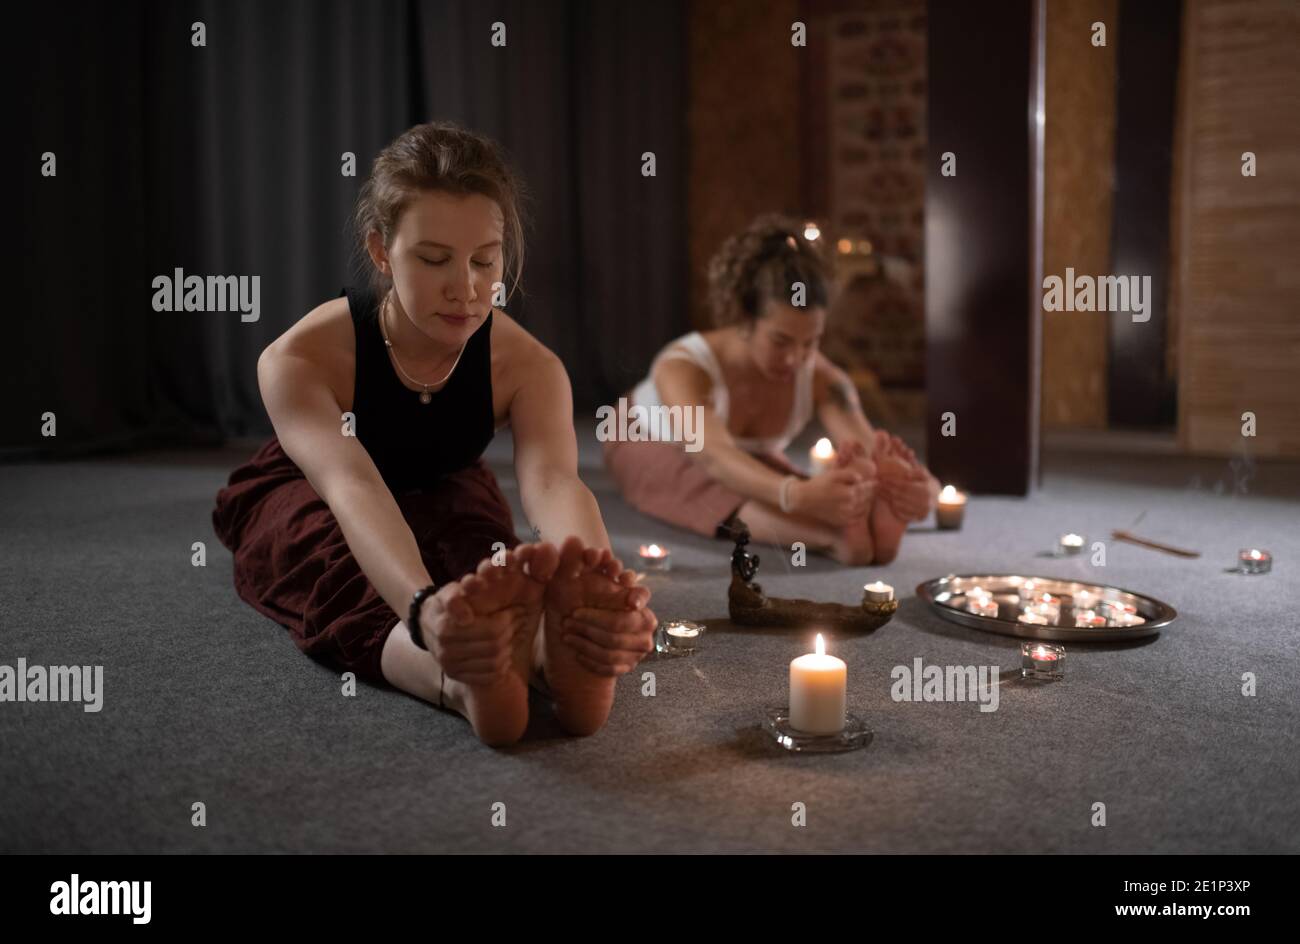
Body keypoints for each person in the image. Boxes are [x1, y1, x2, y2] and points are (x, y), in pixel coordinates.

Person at [212, 121, 656, 747]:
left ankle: (552, 657)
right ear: (380, 251)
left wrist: (598, 585)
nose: (466, 288)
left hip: (446, 478)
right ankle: (454, 678)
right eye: (433, 259)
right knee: (330, 565)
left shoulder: (531, 367)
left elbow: (555, 482)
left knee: (489, 564)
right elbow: (351, 486)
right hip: (313, 488)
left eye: (484, 260)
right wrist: (425, 608)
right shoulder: (299, 359)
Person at [604, 214, 939, 565]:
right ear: (744, 319)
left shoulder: (827, 379)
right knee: (708, 483)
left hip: (741, 455)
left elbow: (870, 446)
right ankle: (833, 539)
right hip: (644, 435)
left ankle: (863, 527)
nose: (796, 359)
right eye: (781, 341)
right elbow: (713, 456)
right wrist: (795, 495)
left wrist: (915, 494)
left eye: (810, 342)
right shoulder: (683, 367)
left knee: (808, 488)